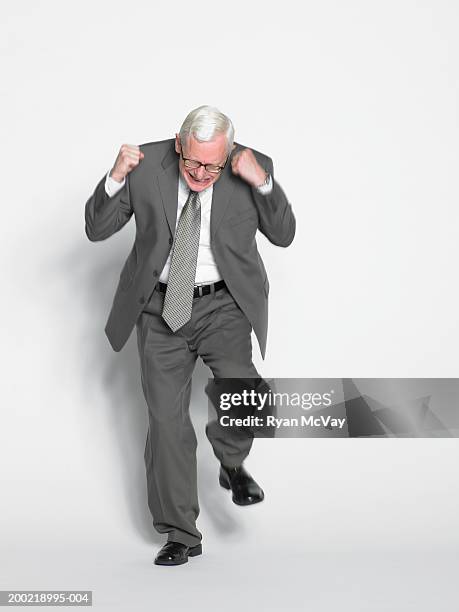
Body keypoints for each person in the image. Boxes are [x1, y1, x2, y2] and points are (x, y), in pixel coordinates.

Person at [84, 105, 296, 566]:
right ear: (179, 144)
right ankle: (181, 533)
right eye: (193, 162)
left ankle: (232, 462)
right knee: (166, 423)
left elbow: (283, 235)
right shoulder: (144, 165)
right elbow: (96, 229)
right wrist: (115, 177)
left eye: (213, 165)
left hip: (224, 305)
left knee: (242, 387)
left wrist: (262, 182)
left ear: (228, 152)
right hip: (160, 307)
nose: (202, 174)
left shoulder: (252, 164)